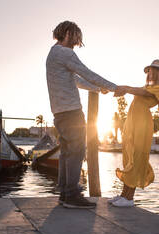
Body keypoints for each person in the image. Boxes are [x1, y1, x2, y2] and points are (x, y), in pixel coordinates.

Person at [46, 21, 126, 209]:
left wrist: (97, 89)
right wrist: (114, 87)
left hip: (58, 112)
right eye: (75, 38)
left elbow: (75, 79)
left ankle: (65, 194)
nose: (76, 43)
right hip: (72, 111)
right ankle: (72, 195)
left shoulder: (52, 54)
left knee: (67, 152)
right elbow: (86, 72)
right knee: (77, 151)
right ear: (67, 33)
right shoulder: (65, 53)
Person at [109, 59, 159, 207]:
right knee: (129, 158)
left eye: (153, 70)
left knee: (137, 158)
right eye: (149, 70)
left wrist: (125, 88)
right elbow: (139, 90)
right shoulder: (146, 86)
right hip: (132, 123)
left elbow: (142, 92)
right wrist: (115, 88)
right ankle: (124, 194)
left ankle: (129, 198)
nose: (150, 72)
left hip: (142, 125)